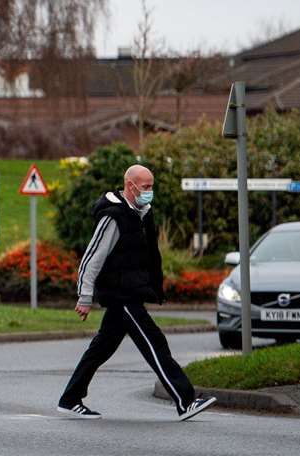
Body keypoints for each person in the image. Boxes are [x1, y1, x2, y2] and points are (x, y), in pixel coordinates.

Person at [57, 164, 215, 422]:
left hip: (131, 292)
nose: (150, 192)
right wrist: (84, 297)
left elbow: (148, 257)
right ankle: (185, 401)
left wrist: (155, 287)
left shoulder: (142, 214)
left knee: (100, 349)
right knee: (155, 342)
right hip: (122, 295)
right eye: (146, 187)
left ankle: (70, 399)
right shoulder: (113, 216)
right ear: (130, 186)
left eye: (152, 187)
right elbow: (92, 258)